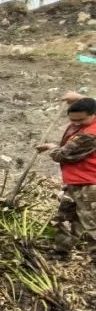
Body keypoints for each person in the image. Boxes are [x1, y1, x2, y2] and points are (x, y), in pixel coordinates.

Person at [36, 97, 96, 262]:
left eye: (80, 120)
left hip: (89, 186)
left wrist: (51, 147)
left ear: (93, 115)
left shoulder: (90, 135)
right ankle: (61, 253)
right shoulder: (83, 126)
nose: (75, 123)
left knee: (92, 225)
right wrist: (78, 97)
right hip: (74, 184)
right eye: (72, 120)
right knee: (65, 219)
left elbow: (63, 155)